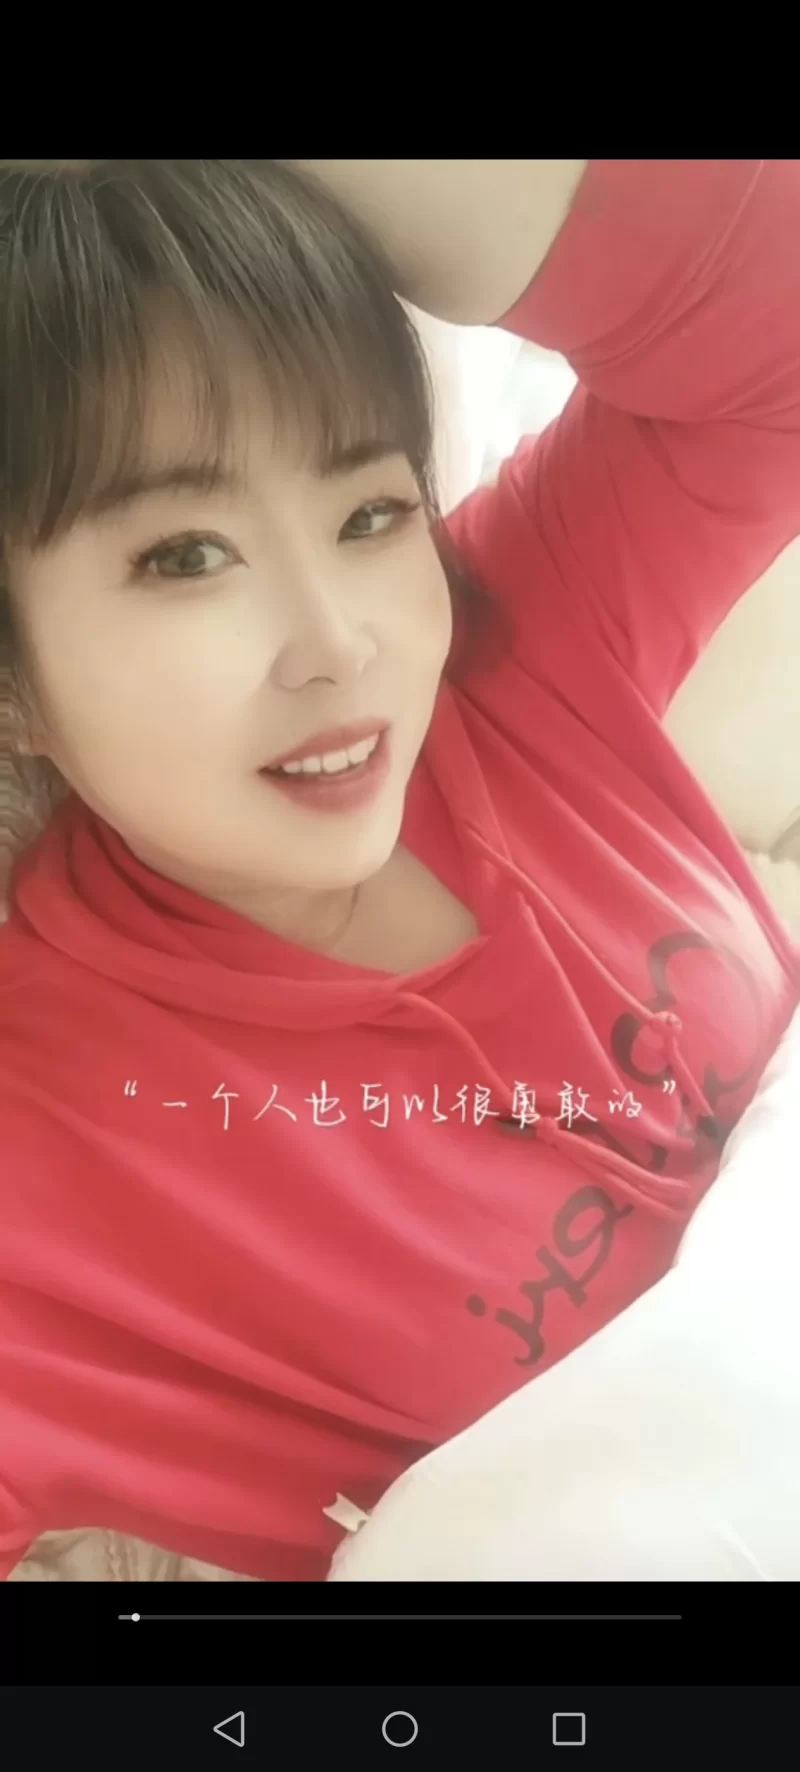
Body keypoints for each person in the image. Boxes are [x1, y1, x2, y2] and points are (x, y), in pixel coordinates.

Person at [0, 159, 798, 1584]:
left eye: (371, 513)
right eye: (185, 555)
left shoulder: (519, 635)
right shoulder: (40, 1169)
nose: (339, 644)